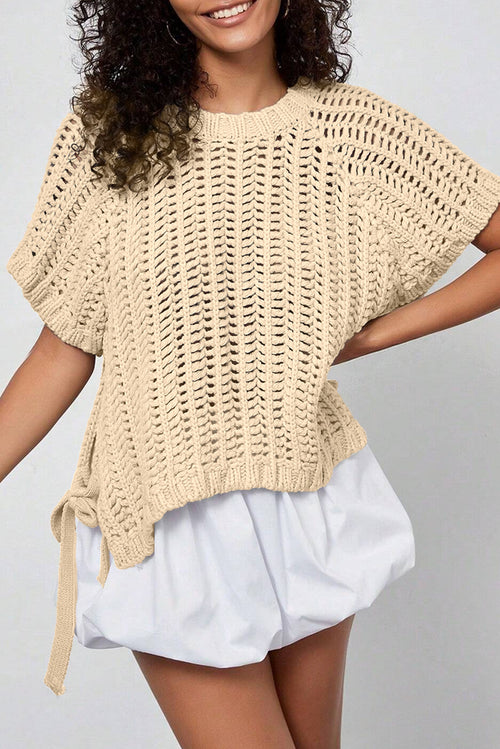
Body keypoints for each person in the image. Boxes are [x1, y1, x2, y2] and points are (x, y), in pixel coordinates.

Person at [2, 0, 500, 747]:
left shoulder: (351, 132)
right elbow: (63, 347)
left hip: (305, 496)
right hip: (167, 515)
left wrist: (368, 336)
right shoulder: (113, 136)